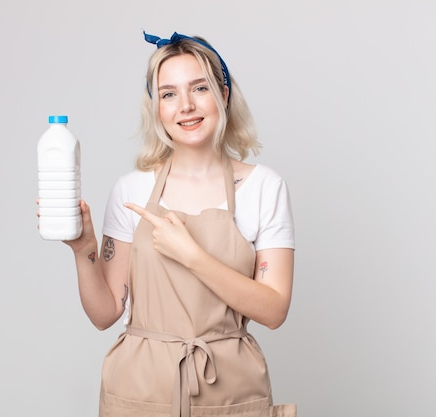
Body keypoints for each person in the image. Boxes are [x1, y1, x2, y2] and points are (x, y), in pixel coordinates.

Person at [61, 31, 296, 417]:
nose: (185, 106)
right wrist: (84, 249)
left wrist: (191, 255)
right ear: (156, 109)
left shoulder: (263, 187)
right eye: (168, 93)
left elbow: (274, 310)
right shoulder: (131, 190)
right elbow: (104, 314)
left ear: (223, 95)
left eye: (199, 88)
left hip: (231, 388)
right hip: (139, 389)